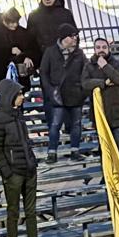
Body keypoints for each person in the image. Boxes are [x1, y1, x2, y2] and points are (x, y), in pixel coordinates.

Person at [0, 78, 42, 237]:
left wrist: (32, 161)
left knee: (31, 211)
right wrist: (7, 173)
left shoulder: (19, 115)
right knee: (13, 212)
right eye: (19, 94)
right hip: (14, 173)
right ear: (10, 96)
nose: (23, 97)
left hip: (29, 169)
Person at [39, 25, 87, 159]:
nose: (75, 39)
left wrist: (82, 91)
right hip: (57, 95)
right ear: (64, 37)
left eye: (76, 36)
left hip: (75, 94)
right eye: (72, 36)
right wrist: (49, 90)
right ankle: (52, 152)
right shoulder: (50, 52)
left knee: (76, 124)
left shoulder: (79, 53)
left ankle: (75, 151)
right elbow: (44, 72)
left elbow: (85, 72)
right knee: (55, 124)